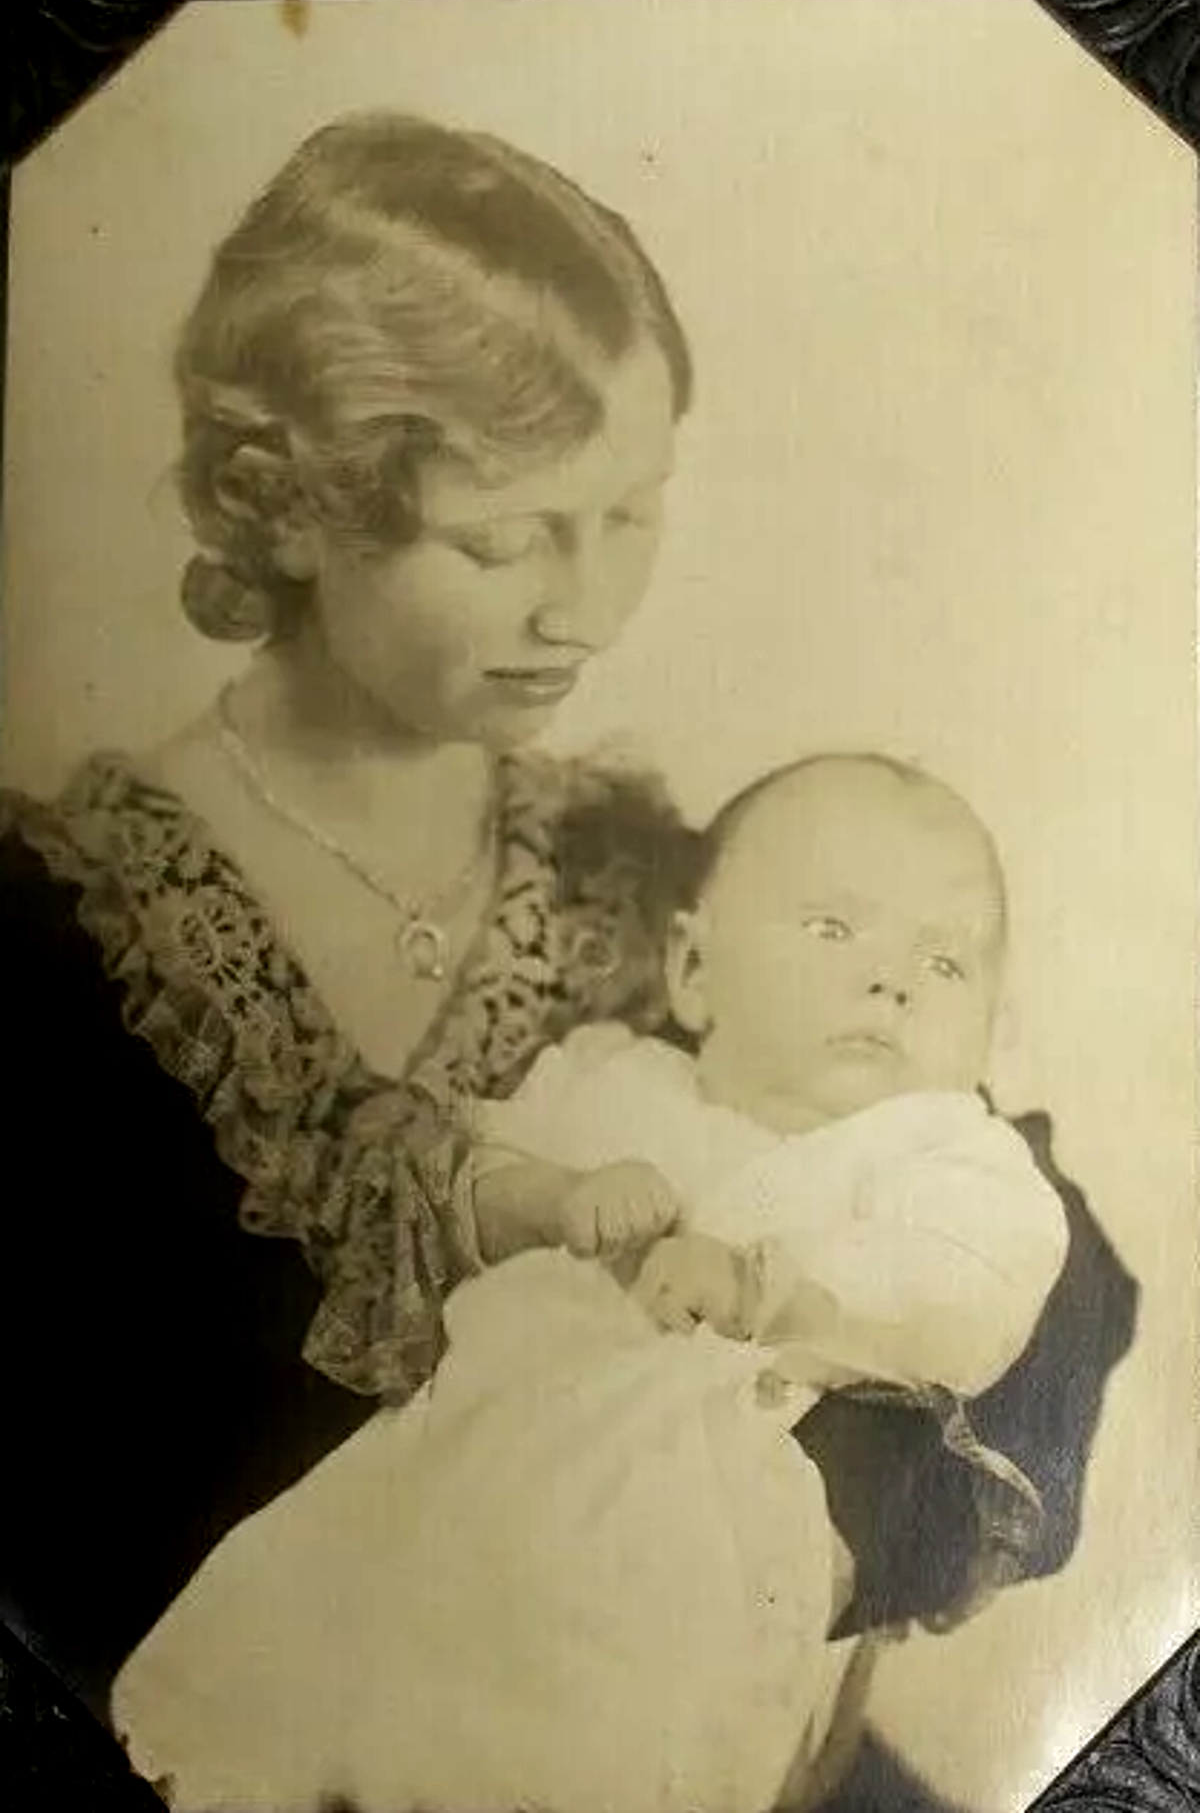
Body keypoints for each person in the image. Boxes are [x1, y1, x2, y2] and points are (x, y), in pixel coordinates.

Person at [0, 109, 1136, 1812]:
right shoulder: (50, 948)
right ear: (291, 505)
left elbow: (1036, 1248)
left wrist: (808, 1532)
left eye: (628, 517)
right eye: (507, 536)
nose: (586, 609)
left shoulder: (643, 871)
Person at [110, 753, 1071, 1813]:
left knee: (597, 1724)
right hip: (471, 1463)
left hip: (697, 1530)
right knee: (326, 1676)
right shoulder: (614, 1078)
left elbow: (963, 1291)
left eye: (946, 963)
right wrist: (558, 1198)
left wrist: (774, 1290)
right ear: (692, 972)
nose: (891, 980)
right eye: (833, 931)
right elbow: (460, 1194)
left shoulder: (943, 1156)